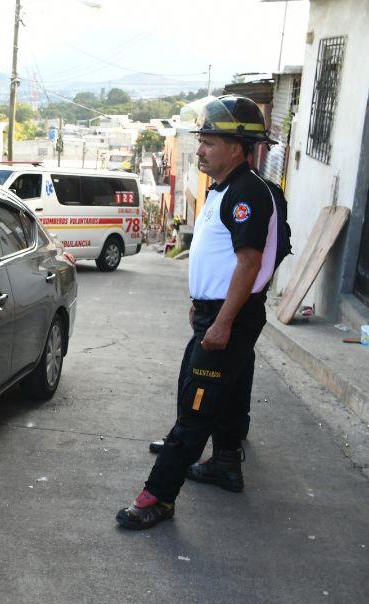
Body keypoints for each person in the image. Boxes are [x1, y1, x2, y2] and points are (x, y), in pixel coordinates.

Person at [116, 95, 281, 530]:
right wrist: (202, 303)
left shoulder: (247, 193)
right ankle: (225, 464)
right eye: (201, 140)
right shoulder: (225, 187)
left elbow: (249, 263)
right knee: (220, 392)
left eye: (209, 142)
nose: (201, 149)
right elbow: (222, 258)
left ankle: (158, 497)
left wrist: (224, 319)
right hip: (216, 310)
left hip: (231, 315)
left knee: (195, 408)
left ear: (237, 148)